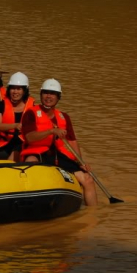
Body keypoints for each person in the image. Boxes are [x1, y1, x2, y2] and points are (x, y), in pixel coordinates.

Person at [20, 79, 98, 207]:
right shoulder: (31, 113)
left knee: (88, 179)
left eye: (53, 93)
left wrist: (81, 163)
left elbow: (72, 141)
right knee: (31, 164)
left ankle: (94, 214)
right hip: (37, 152)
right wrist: (51, 131)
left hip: (57, 155)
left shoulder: (64, 117)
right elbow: (29, 138)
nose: (48, 96)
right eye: (46, 93)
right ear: (41, 94)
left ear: (58, 97)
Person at [0, 72, 34, 162]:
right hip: (3, 143)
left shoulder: (32, 106)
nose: (15, 92)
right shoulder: (1, 104)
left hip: (22, 144)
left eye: (19, 89)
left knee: (17, 150)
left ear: (24, 91)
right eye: (13, 88)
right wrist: (15, 125)